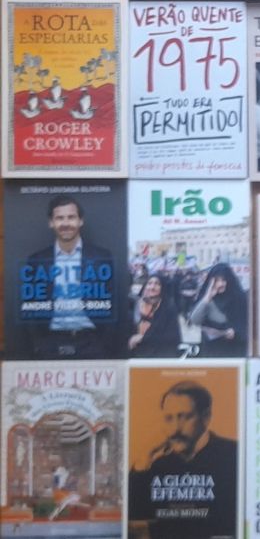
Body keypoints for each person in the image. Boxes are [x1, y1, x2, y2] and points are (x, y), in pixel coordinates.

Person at [128, 381, 238, 539]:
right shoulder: (157, 464)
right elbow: (135, 518)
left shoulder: (234, 455)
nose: (175, 429)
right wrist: (144, 458)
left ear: (206, 417)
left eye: (185, 417)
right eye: (169, 418)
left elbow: (229, 522)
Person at [22, 195, 116, 358]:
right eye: (60, 218)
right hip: (50, 344)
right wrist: (37, 344)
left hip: (92, 343)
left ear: (81, 221)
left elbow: (113, 303)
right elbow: (29, 306)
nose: (66, 223)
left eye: (71, 217)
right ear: (51, 222)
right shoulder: (37, 260)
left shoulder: (101, 257)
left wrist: (105, 343)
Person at [187, 263, 247, 356]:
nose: (220, 284)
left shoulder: (239, 298)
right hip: (212, 350)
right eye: (216, 280)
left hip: (235, 350)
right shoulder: (207, 300)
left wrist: (235, 332)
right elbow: (195, 320)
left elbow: (246, 324)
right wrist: (208, 297)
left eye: (223, 280)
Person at [128, 273, 181, 358]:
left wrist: (143, 338)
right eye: (149, 283)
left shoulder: (168, 308)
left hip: (158, 356)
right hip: (135, 354)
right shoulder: (135, 305)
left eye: (157, 284)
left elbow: (173, 337)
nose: (152, 287)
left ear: (162, 287)